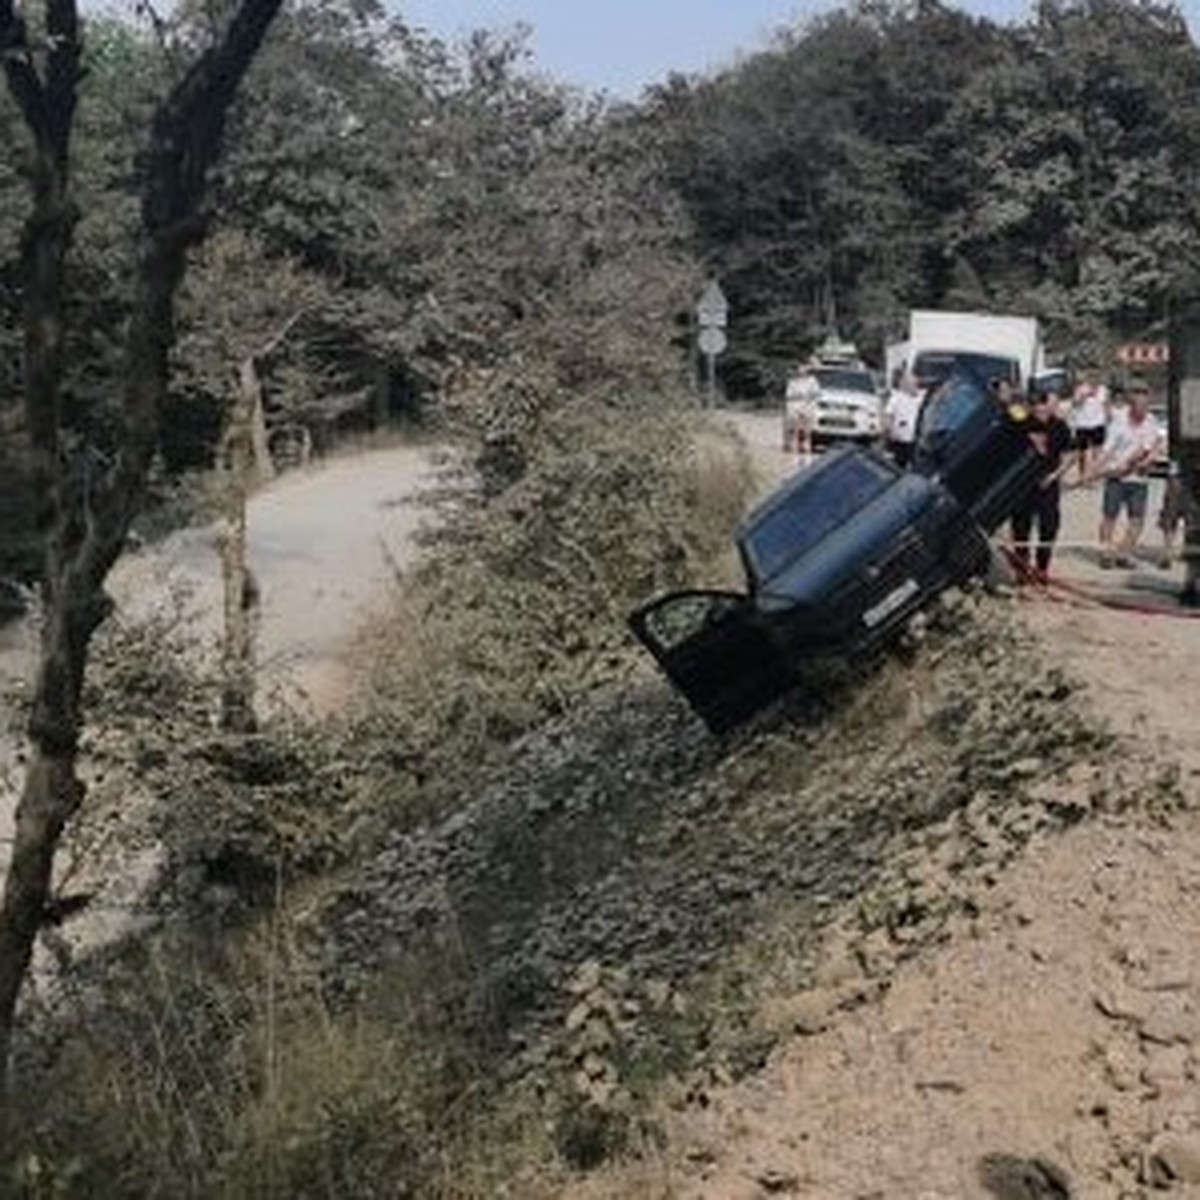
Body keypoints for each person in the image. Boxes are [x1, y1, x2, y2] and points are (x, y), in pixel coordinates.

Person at [1091, 382, 1165, 568]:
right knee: (1109, 517)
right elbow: (1107, 450)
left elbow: (1149, 448)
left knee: (1137, 520)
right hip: (1116, 477)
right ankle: (1106, 554)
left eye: (1145, 407)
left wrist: (1142, 463)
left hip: (1138, 478)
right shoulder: (1119, 421)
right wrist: (1095, 469)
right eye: (1139, 407)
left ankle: (1124, 554)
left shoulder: (1151, 421)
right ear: (1131, 406)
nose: (1143, 411)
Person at [1009, 389, 1074, 583]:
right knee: (1021, 528)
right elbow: (1008, 410)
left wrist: (1054, 476)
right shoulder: (1022, 422)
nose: (1039, 411)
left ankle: (1042, 568)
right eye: (1035, 407)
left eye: (1042, 406)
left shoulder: (1060, 426)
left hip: (1048, 484)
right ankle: (1021, 569)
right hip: (1024, 485)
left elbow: (1070, 456)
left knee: (1048, 527)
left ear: (1048, 405)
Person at [1070, 368, 1110, 480]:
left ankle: (1093, 474)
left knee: (1096, 452)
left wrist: (1108, 418)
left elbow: (1106, 405)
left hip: (1098, 423)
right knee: (1081, 452)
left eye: (1096, 376)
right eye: (1091, 376)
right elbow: (1075, 404)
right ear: (1087, 378)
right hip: (1083, 424)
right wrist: (1084, 396)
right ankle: (1081, 475)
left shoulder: (1103, 390)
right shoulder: (1080, 389)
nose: (1094, 379)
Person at [882, 372, 922, 468]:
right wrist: (889, 431)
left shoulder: (920, 398)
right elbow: (888, 415)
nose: (915, 386)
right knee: (898, 465)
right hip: (899, 438)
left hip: (915, 439)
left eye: (916, 384)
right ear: (904, 385)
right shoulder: (896, 398)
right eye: (912, 384)